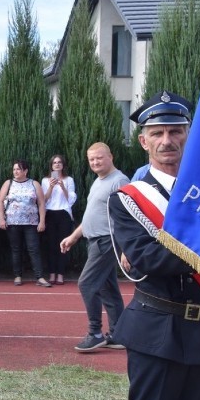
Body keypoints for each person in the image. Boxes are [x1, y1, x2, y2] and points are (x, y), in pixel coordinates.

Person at [108, 91, 200, 400]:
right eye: (158, 133)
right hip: (157, 329)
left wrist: (177, 248)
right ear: (143, 141)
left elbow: (156, 252)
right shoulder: (129, 199)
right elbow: (146, 259)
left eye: (177, 131)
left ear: (190, 135)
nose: (169, 140)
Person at [59, 143, 128, 352]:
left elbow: (128, 217)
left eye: (99, 158)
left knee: (86, 283)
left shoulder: (119, 181)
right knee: (108, 288)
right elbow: (92, 214)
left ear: (111, 156)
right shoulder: (99, 181)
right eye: (91, 160)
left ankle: (95, 333)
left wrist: (127, 248)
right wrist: (73, 236)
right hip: (94, 239)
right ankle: (119, 334)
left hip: (107, 240)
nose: (95, 162)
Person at [0, 159, 52, 287]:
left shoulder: (34, 184)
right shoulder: (8, 183)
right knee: (16, 249)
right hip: (12, 222)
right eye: (14, 169)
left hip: (31, 223)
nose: (16, 171)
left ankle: (39, 277)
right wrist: (1, 219)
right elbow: (0, 201)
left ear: (25, 171)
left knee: (34, 249)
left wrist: (42, 221)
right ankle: (17, 275)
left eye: (19, 169)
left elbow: (41, 203)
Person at [41, 154, 77, 285]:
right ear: (51, 165)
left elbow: (71, 199)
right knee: (51, 245)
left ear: (63, 165)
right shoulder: (45, 180)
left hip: (64, 214)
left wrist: (62, 187)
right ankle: (52, 274)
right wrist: (51, 187)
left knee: (63, 245)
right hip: (50, 213)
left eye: (59, 162)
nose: (57, 164)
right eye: (54, 162)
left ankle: (60, 274)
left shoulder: (69, 180)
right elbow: (43, 199)